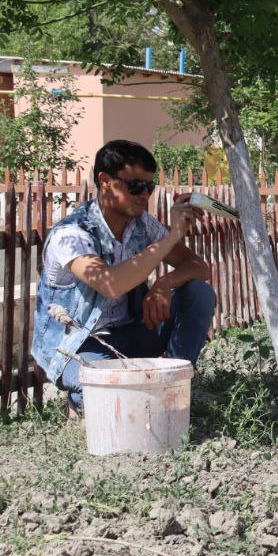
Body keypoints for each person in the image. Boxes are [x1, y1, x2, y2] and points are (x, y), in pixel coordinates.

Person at [32, 140, 215, 415]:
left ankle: (174, 390)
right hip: (77, 347)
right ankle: (83, 400)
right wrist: (174, 235)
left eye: (149, 187)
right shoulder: (71, 235)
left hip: (130, 333)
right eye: (135, 186)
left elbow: (199, 267)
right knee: (111, 398)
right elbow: (111, 284)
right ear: (105, 181)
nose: (144, 195)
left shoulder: (142, 224)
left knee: (198, 293)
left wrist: (164, 284)